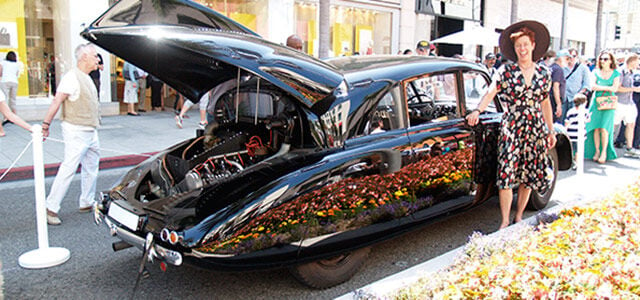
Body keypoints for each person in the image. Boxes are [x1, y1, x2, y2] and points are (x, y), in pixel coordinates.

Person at [466, 20, 556, 230]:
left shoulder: (544, 73)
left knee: (528, 173)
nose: (522, 49)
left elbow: (545, 103)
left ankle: (519, 216)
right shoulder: (505, 71)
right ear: (514, 50)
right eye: (518, 46)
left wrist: (550, 129)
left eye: (525, 44)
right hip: (512, 126)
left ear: (533, 45)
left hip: (535, 127)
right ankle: (505, 220)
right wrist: (478, 110)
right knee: (506, 173)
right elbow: (491, 92)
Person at [41, 43, 100, 225]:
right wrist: (45, 124)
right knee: (69, 167)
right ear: (84, 58)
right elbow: (57, 101)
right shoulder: (71, 77)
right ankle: (51, 207)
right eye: (95, 56)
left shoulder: (87, 77)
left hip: (91, 130)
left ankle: (86, 201)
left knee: (92, 167)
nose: (98, 59)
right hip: (75, 129)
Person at [585, 51, 620, 164]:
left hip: (609, 102)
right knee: (596, 127)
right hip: (596, 102)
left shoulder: (615, 73)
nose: (603, 61)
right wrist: (607, 87)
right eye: (601, 59)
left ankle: (604, 152)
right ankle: (596, 151)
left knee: (605, 128)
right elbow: (592, 86)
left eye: (606, 59)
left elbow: (615, 88)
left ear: (611, 60)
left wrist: (601, 87)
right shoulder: (595, 72)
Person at [612, 53, 640, 157]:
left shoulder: (632, 72)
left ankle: (629, 147)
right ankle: (609, 146)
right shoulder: (621, 72)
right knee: (615, 125)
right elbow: (617, 88)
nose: (638, 64)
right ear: (632, 61)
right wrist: (633, 89)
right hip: (619, 102)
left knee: (631, 124)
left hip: (629, 101)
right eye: (637, 61)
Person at [563, 48, 591, 122]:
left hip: (576, 99)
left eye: (574, 56)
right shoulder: (562, 68)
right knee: (563, 121)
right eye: (569, 56)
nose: (571, 58)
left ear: (577, 57)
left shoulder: (583, 68)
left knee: (575, 121)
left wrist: (579, 95)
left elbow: (587, 84)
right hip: (563, 98)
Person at [564, 93, 590, 168]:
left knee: (572, 148)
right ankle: (577, 162)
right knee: (579, 149)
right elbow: (588, 120)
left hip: (571, 133)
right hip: (580, 133)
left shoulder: (570, 111)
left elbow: (567, 122)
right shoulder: (585, 112)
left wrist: (566, 130)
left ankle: (572, 160)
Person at [549, 49, 570, 123]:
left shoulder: (551, 67)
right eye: (567, 59)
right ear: (561, 58)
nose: (568, 61)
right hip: (553, 101)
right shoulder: (558, 70)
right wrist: (558, 104)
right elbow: (556, 87)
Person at [0, 51, 20, 125]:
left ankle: (6, 117)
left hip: (5, 81)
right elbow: (17, 74)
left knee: (4, 99)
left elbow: (0, 72)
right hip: (14, 82)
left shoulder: (3, 63)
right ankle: (15, 117)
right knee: (13, 100)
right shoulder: (16, 64)